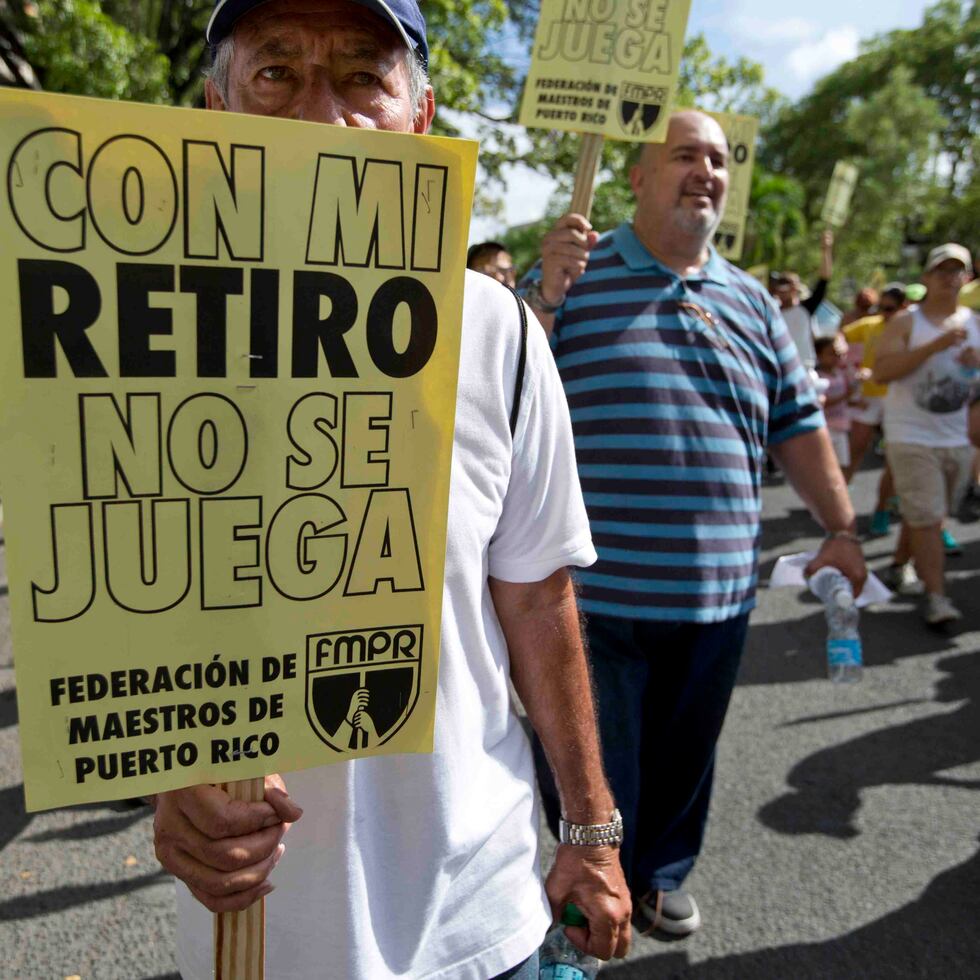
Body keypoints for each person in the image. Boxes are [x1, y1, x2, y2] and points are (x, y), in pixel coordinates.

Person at [150, 3, 632, 978]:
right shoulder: (134, 332)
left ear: (421, 115)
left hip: (474, 919)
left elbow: (536, 596)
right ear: (215, 109)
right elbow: (124, 603)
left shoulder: (496, 332)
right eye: (275, 75)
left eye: (362, 77)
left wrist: (588, 824)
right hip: (252, 931)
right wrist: (169, 777)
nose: (325, 118)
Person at [521, 110, 866, 939]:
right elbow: (506, 388)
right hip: (594, 598)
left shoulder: (752, 301)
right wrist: (540, 297)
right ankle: (587, 882)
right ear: (636, 178)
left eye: (716, 158)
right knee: (594, 769)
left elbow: (799, 427)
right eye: (684, 155)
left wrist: (844, 528)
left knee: (685, 759)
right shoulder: (574, 274)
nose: (705, 171)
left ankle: (659, 876)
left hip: (716, 598)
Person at [874, 243, 980, 626]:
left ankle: (899, 563)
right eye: (942, 270)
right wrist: (934, 346)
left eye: (958, 271)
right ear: (927, 277)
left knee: (929, 517)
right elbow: (881, 371)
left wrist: (976, 366)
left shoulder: (976, 323)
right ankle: (938, 599)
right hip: (910, 435)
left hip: (955, 438)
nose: (950, 278)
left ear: (967, 278)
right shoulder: (906, 322)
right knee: (927, 515)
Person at [843, 283, 908, 534]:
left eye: (889, 308)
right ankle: (836, 504)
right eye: (879, 308)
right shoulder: (870, 325)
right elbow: (841, 336)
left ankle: (882, 509)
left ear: (903, 307)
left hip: (897, 399)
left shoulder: (911, 330)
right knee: (856, 447)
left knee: (894, 458)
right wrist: (846, 363)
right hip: (869, 396)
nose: (883, 313)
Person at [767, 229, 834, 369]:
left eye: (790, 285)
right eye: (782, 284)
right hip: (778, 367)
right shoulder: (771, 311)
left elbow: (824, 280)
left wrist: (826, 250)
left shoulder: (805, 309)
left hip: (803, 368)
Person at [815, 334, 860, 469]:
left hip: (841, 426)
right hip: (825, 427)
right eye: (831, 354)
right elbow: (822, 403)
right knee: (824, 466)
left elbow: (845, 401)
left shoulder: (840, 374)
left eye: (839, 354)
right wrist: (846, 396)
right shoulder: (817, 377)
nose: (836, 358)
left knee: (841, 466)